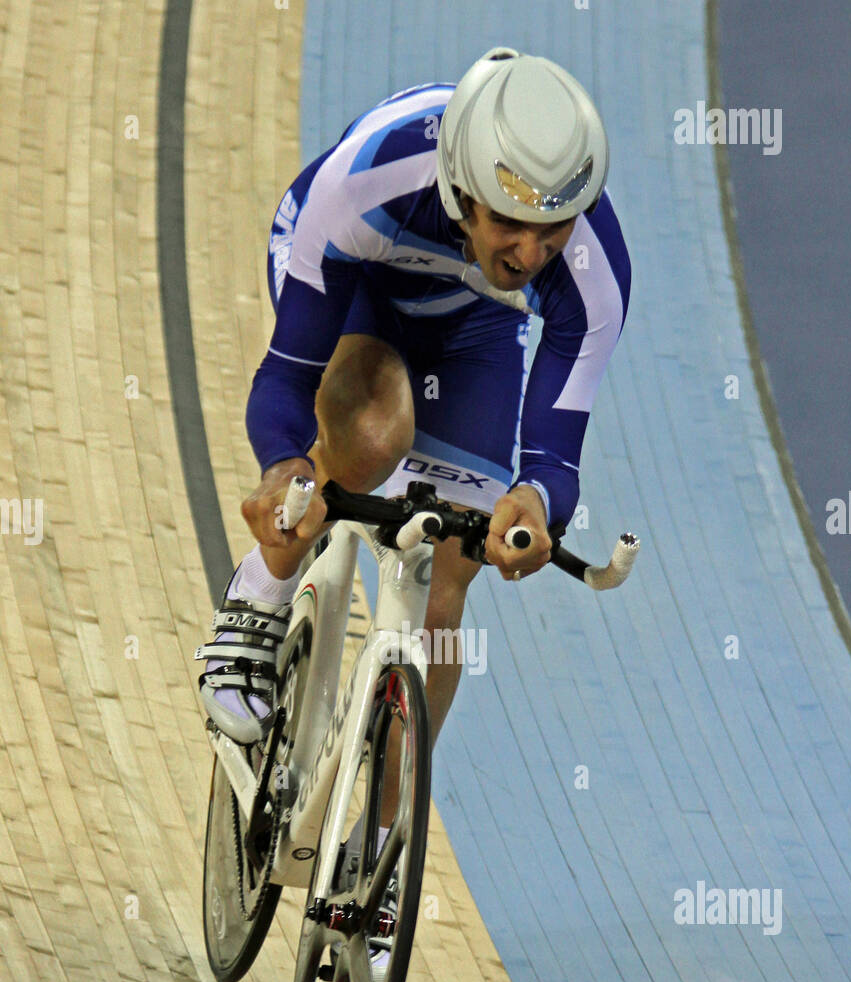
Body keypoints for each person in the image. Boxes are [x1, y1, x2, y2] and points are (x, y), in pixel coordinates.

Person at [196, 46, 631, 751]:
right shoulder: (369, 182)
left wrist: (536, 505)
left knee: (446, 584)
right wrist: (284, 467)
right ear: (462, 192)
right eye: (510, 225)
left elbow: (554, 458)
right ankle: (261, 590)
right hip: (359, 290)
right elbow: (286, 377)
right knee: (370, 436)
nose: (532, 253)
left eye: (554, 228)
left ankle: (383, 838)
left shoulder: (596, 269)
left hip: (475, 330)